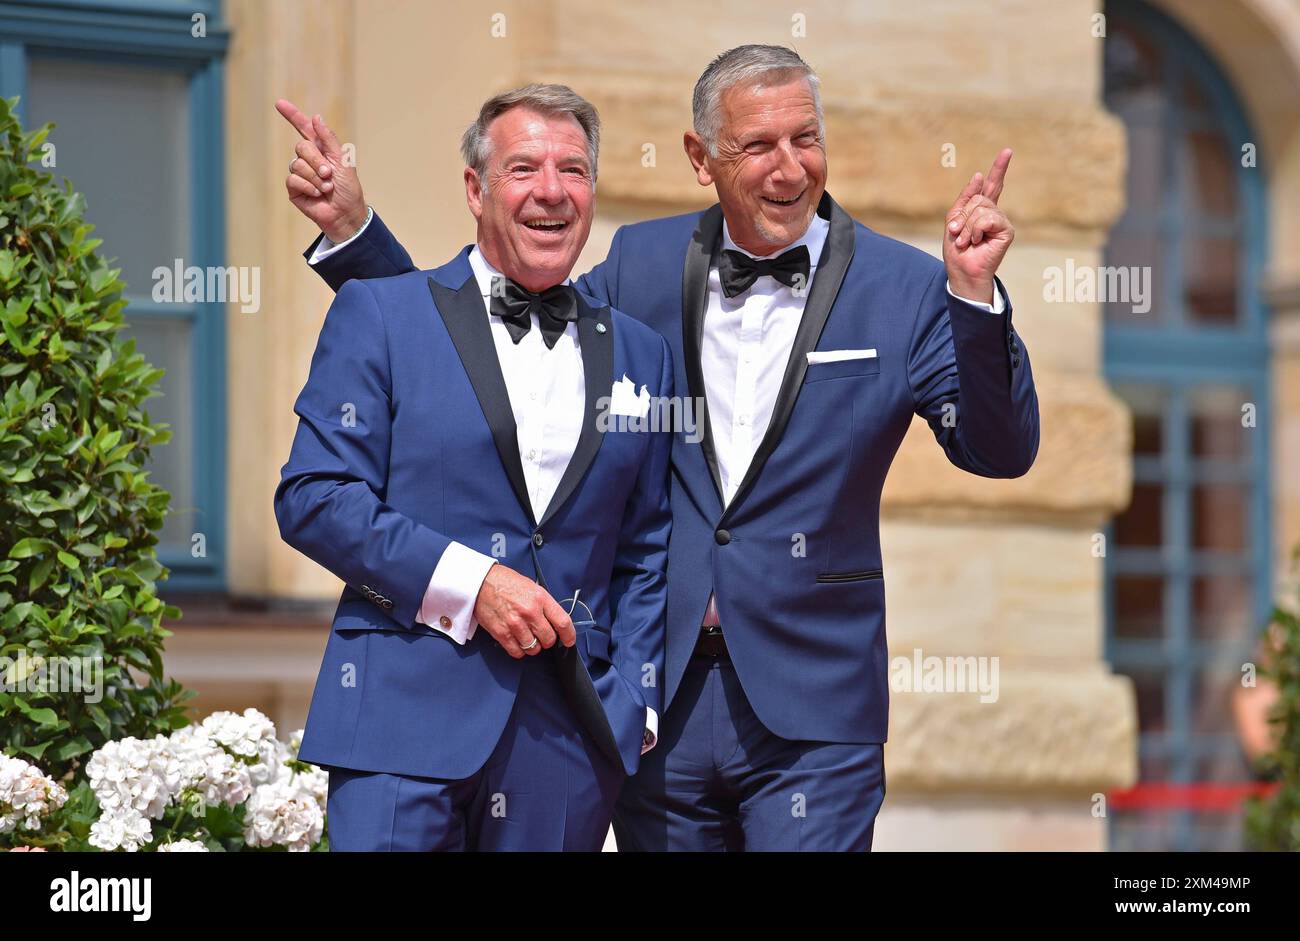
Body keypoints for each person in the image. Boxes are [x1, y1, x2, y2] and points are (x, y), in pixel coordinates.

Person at [280, 43, 1040, 851]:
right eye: (757, 145)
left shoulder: (906, 287)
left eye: (805, 139)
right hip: (662, 711)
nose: (789, 168)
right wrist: (358, 238)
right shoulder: (642, 262)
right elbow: (482, 340)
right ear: (700, 158)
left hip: (815, 706)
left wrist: (974, 295)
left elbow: (997, 450)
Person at [273, 84, 672, 851]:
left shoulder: (642, 353)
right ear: (475, 188)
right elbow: (315, 497)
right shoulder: (381, 314)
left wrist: (638, 704)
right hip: (398, 726)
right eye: (523, 168)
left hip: (568, 744)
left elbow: (647, 544)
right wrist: (474, 583)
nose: (552, 191)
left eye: (575, 170)